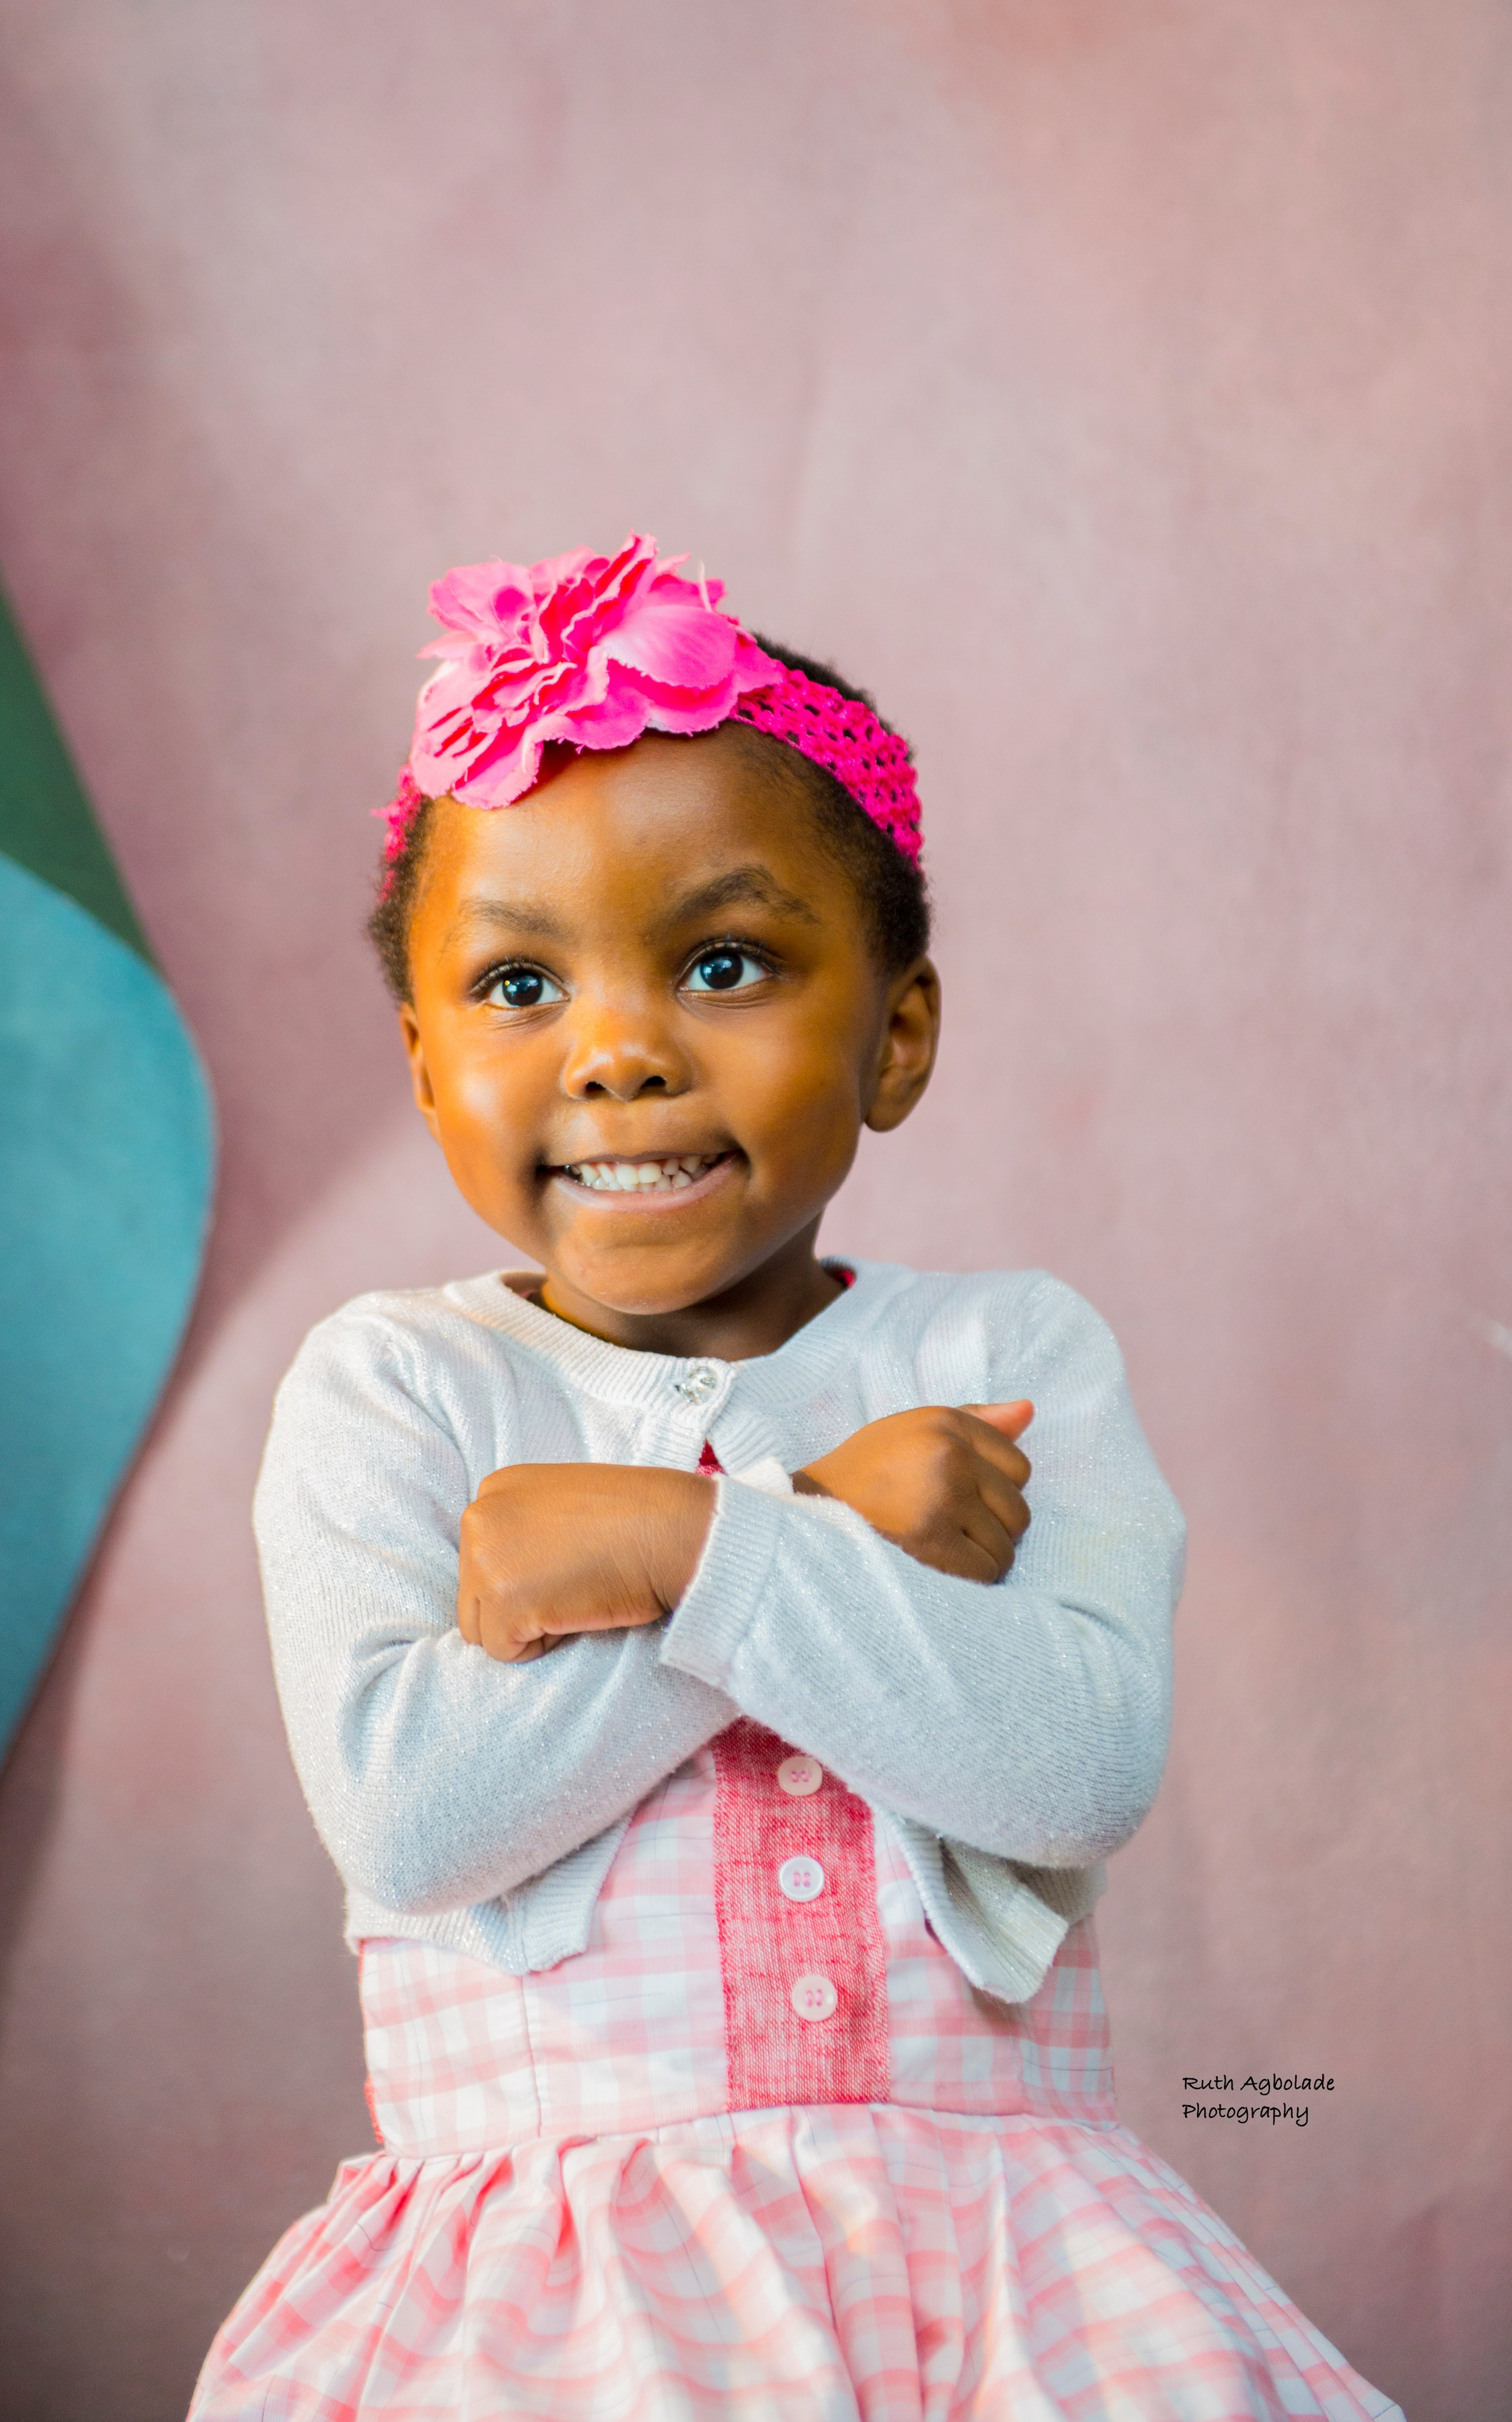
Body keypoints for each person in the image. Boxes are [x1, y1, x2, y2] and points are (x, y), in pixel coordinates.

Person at [190, 536, 1398, 2419]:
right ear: (427, 1069)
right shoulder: (402, 1389)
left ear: (894, 1032)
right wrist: (815, 1518)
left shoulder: (1001, 1362)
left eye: (725, 960)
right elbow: (419, 1819)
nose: (614, 1053)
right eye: (518, 985)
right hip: (562, 2320)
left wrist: (671, 1538)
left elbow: (1072, 1771)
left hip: (1016, 2298)